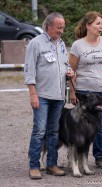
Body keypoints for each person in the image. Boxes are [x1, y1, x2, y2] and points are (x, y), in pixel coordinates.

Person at [24, 12, 74, 179]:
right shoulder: (35, 43)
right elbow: (29, 70)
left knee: (54, 131)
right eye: (59, 27)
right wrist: (33, 94)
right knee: (39, 131)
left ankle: (52, 164)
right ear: (48, 26)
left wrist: (69, 72)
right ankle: (34, 166)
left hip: (58, 96)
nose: (61, 31)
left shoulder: (60, 43)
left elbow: (64, 65)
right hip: (42, 95)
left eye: (63, 28)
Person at [68, 11, 102, 169]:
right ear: (88, 26)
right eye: (97, 24)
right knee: (80, 125)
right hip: (84, 91)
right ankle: (79, 157)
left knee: (98, 125)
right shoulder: (77, 45)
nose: (101, 26)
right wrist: (72, 92)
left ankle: (99, 156)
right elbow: (71, 70)